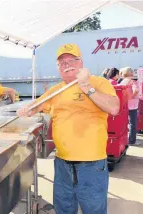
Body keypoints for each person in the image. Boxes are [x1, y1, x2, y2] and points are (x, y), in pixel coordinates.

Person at [17, 44, 120, 214]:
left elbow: (114, 108)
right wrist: (26, 110)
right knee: (63, 209)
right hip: (62, 164)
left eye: (72, 60)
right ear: (58, 68)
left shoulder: (98, 82)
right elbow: (34, 107)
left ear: (81, 63)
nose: (67, 64)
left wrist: (86, 86)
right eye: (62, 62)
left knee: (94, 210)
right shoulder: (55, 90)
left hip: (91, 166)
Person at [120, 67, 141, 145]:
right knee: (133, 123)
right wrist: (132, 96)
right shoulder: (132, 82)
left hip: (125, 105)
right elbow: (136, 90)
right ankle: (132, 141)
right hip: (133, 105)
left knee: (125, 123)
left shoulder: (122, 82)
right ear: (131, 73)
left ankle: (125, 139)